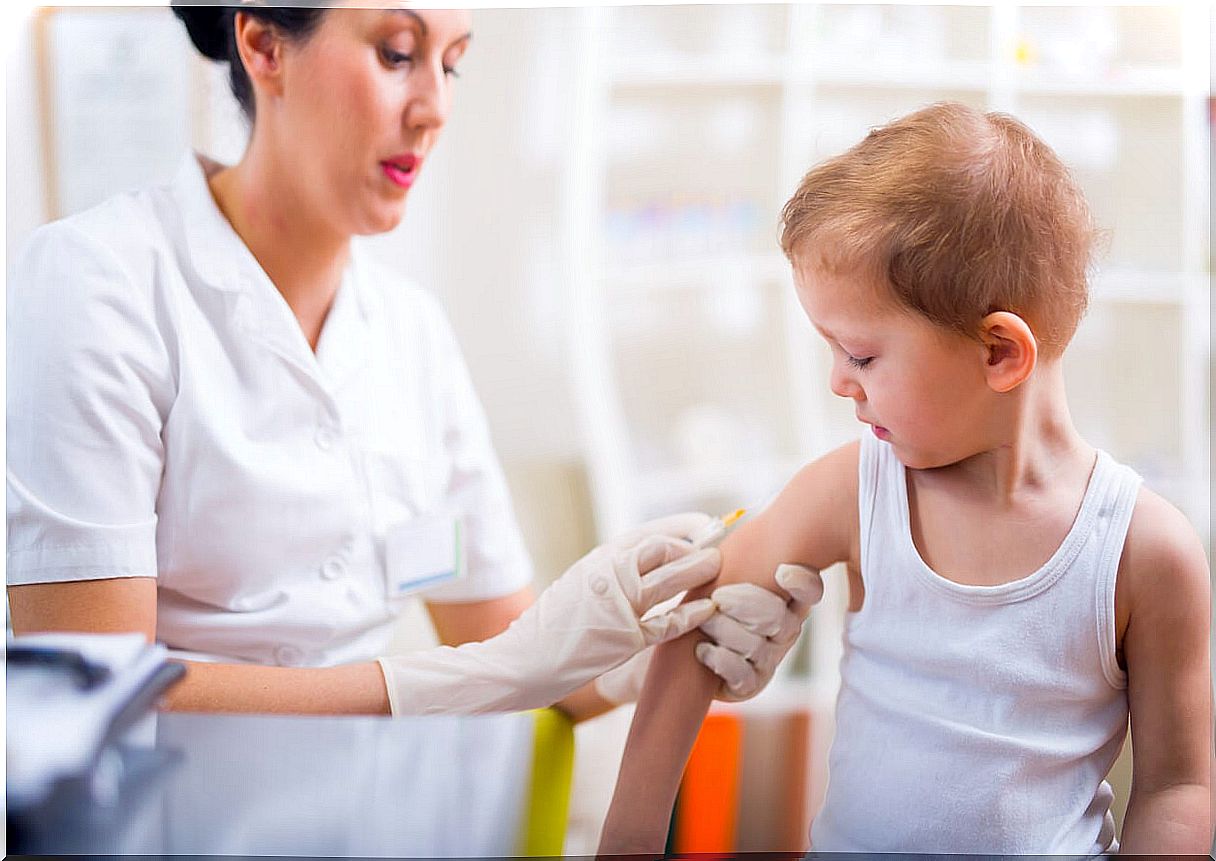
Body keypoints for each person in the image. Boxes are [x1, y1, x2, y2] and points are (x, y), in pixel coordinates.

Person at [6, 4, 824, 719]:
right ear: (263, 47)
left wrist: (653, 651)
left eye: (454, 63)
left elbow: (513, 656)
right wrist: (450, 680)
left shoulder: (410, 335)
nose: (434, 107)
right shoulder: (101, 283)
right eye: (397, 54)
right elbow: (92, 691)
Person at [598, 102, 1212, 854]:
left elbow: (1181, 784)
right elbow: (698, 625)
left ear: (998, 353)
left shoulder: (1147, 552)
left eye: (859, 355)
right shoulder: (856, 491)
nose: (838, 383)